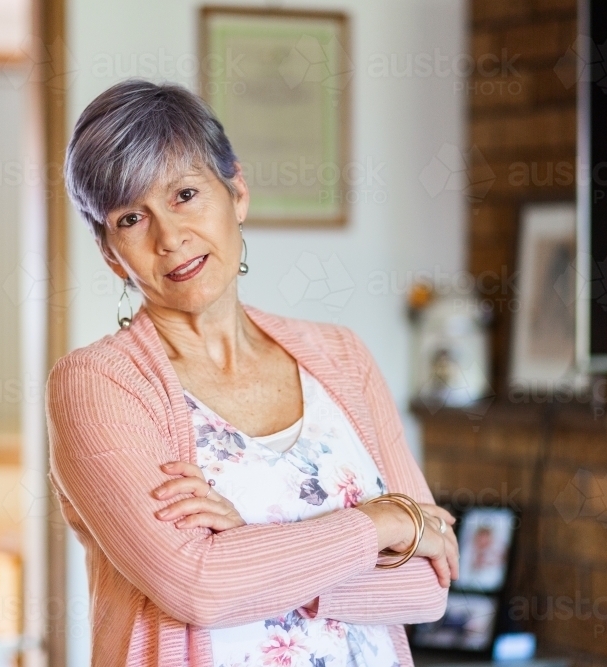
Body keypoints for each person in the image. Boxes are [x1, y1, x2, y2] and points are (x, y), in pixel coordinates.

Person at [46, 78, 459, 667]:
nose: (170, 237)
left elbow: (427, 584)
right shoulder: (97, 385)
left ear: (236, 191)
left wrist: (247, 544)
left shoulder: (342, 356)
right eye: (132, 218)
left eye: (185, 194)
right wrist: (382, 521)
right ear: (111, 254)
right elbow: (199, 586)